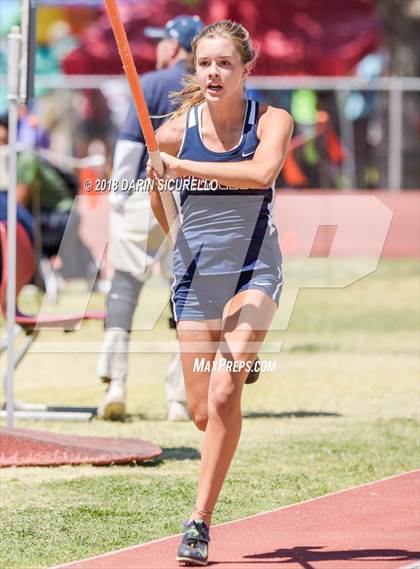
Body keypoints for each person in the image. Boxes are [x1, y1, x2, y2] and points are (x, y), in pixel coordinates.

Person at [147, 20, 293, 566]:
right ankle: (240, 362)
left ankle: (198, 522)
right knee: (202, 411)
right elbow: (158, 202)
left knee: (226, 393)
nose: (214, 72)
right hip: (197, 273)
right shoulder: (171, 131)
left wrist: (179, 166)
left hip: (255, 266)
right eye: (205, 63)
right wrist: (170, 215)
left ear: (245, 69)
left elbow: (260, 174)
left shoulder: (272, 120)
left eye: (225, 63)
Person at [96, 15, 204, 421]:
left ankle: (116, 383)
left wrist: (118, 198)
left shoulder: (155, 83)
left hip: (147, 194)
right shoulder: (208, 88)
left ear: (174, 47)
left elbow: (127, 150)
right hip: (194, 198)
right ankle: (179, 398)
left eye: (163, 42)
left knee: (123, 287)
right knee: (187, 299)